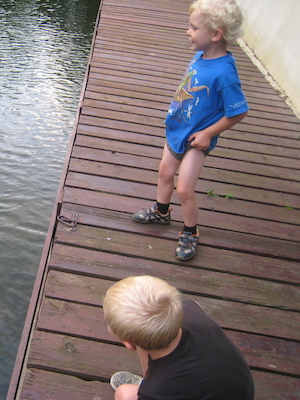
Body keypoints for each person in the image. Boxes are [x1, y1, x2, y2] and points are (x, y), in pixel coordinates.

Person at [133, 0, 249, 260]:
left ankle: (190, 232)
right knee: (164, 172)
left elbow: (238, 111)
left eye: (194, 28)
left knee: (184, 188)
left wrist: (209, 134)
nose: (188, 31)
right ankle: (162, 212)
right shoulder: (200, 55)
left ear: (215, 34)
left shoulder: (225, 74)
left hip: (197, 139)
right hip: (178, 128)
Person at [103, 275, 254, 400]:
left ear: (128, 344)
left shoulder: (156, 392)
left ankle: (144, 383)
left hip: (174, 389)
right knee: (146, 343)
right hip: (238, 389)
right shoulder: (190, 309)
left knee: (125, 393)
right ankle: (146, 380)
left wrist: (148, 389)